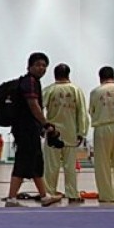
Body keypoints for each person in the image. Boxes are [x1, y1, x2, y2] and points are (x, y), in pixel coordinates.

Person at [5, 53, 63, 207]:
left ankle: (44, 196)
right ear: (29, 66)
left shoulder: (32, 81)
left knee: (36, 162)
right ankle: (11, 198)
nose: (41, 68)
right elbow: (33, 104)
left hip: (28, 129)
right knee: (23, 162)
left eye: (44, 65)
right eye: (38, 65)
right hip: (26, 129)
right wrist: (45, 124)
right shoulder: (30, 82)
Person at [41, 63, 89, 203]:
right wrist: (82, 132)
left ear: (54, 74)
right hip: (70, 133)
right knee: (70, 167)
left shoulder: (49, 90)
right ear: (69, 74)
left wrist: (42, 127)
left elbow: (38, 108)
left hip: (52, 134)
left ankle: (49, 192)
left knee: (51, 167)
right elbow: (82, 113)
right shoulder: (76, 90)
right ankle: (72, 193)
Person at [88, 66, 114, 203]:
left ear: (100, 77)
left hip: (102, 127)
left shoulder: (96, 92)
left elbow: (92, 110)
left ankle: (106, 195)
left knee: (103, 163)